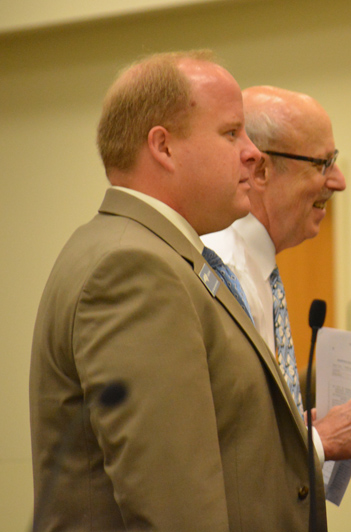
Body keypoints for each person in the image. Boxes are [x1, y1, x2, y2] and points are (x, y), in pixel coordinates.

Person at [29, 52, 327, 531]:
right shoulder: (134, 268)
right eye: (231, 133)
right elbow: (175, 507)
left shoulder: (159, 254)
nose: (253, 153)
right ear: (163, 147)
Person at [202, 85, 351, 465]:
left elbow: (239, 421)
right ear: (260, 169)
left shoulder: (253, 266)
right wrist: (318, 442)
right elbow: (211, 448)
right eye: (323, 163)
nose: (339, 181)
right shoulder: (223, 272)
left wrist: (292, 432)